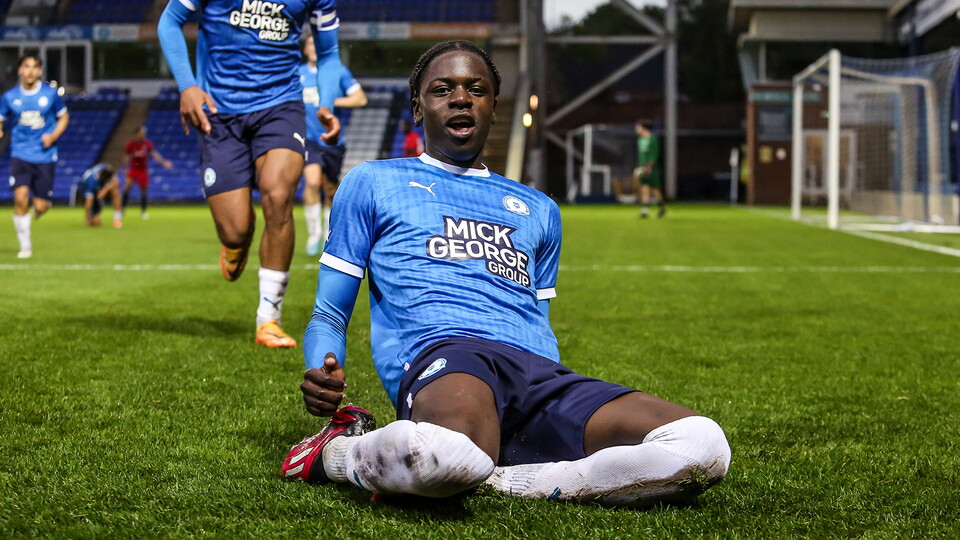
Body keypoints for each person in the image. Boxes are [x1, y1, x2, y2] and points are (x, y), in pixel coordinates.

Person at [281, 40, 731, 508]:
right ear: (417, 108)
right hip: (448, 358)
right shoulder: (373, 182)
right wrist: (322, 366)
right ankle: (334, 451)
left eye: (476, 89)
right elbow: (330, 312)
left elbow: (541, 324)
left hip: (538, 375)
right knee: (445, 455)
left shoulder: (540, 208)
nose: (461, 98)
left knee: (702, 445)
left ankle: (501, 478)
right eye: (443, 89)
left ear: (493, 107)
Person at [157, 0, 344, 348]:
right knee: (235, 229)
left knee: (278, 196)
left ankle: (268, 319)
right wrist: (186, 85)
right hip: (218, 111)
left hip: (281, 106)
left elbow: (329, 53)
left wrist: (327, 103)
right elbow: (170, 21)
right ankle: (237, 240)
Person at [299, 34, 367, 256]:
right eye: (310, 44)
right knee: (311, 182)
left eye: (316, 43)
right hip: (308, 139)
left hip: (333, 140)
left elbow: (360, 99)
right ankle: (314, 234)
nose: (313, 47)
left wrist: (329, 101)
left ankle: (329, 233)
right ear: (305, 49)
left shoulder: (338, 72)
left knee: (330, 190)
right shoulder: (297, 73)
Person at [0, 53, 69, 259]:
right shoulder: (10, 97)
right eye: (26, 66)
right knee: (20, 199)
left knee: (41, 206)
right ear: (20, 70)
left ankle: (35, 212)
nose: (30, 71)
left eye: (34, 67)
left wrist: (53, 136)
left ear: (40, 71)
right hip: (20, 154)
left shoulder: (50, 95)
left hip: (45, 156)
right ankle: (25, 245)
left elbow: (64, 117)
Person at [122, 126, 173, 220]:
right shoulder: (130, 144)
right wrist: (124, 168)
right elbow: (127, 157)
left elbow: (154, 154)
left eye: (143, 134)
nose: (143, 135)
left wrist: (164, 162)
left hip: (143, 170)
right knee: (127, 188)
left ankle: (143, 212)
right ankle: (122, 209)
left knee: (143, 191)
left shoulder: (147, 144)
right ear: (136, 134)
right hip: (133, 169)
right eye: (141, 133)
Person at [633, 120, 665, 219]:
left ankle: (661, 206)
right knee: (644, 188)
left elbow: (654, 154)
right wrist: (640, 166)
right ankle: (645, 211)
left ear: (644, 128)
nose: (636, 129)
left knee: (654, 189)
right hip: (643, 167)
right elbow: (641, 155)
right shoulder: (640, 140)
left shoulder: (652, 140)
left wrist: (649, 167)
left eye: (638, 127)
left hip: (652, 169)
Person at [80, 163, 123, 228]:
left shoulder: (106, 169)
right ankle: (91, 216)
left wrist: (108, 187)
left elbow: (116, 182)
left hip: (100, 189)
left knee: (115, 191)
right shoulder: (92, 182)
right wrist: (87, 217)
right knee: (96, 223)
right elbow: (92, 199)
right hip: (88, 194)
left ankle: (117, 219)